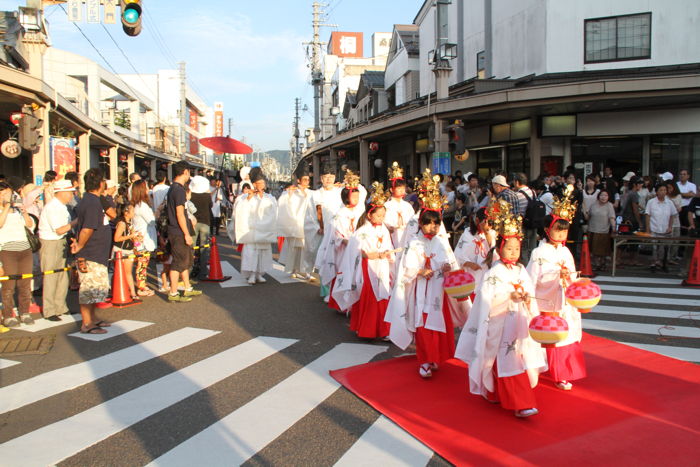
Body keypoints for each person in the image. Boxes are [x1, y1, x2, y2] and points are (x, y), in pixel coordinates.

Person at [455, 199, 545, 418]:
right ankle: (520, 402)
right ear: (500, 247)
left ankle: (495, 392)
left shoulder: (521, 270)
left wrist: (525, 298)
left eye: (517, 248)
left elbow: (530, 292)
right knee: (508, 360)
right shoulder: (494, 272)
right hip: (501, 323)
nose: (514, 252)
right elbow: (486, 300)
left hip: (519, 322)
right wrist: (509, 297)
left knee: (512, 358)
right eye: (509, 248)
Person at [386, 171, 458, 378]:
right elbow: (406, 268)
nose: (433, 227)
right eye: (428, 223)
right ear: (420, 223)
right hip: (421, 291)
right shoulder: (414, 242)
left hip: (437, 290)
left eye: (436, 223)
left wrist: (446, 268)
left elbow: (449, 262)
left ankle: (436, 357)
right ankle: (424, 360)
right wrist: (418, 270)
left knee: (438, 325)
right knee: (424, 326)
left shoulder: (441, 242)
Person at [527, 186, 585, 391]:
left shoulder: (566, 252)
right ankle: (546, 369)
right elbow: (531, 279)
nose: (561, 234)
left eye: (564, 230)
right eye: (557, 229)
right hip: (547, 301)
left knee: (565, 339)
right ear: (547, 230)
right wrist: (554, 278)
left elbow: (572, 275)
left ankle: (563, 373)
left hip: (565, 302)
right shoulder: (539, 253)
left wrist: (573, 284)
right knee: (550, 339)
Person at [332, 183, 395, 339]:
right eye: (379, 215)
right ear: (369, 215)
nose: (381, 219)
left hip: (382, 267)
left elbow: (388, 245)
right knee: (370, 299)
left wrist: (388, 254)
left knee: (383, 297)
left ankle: (384, 330)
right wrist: (368, 255)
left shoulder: (384, 229)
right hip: (367, 269)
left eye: (383, 216)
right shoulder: (361, 232)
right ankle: (366, 329)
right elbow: (355, 251)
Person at [71, 169, 112, 334]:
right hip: (91, 253)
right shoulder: (92, 202)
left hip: (97, 252)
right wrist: (80, 246)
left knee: (97, 288)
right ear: (101, 184)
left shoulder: (90, 200)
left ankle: (93, 318)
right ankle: (87, 323)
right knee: (89, 288)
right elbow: (87, 228)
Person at [321, 171, 366, 310]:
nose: (356, 199)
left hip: (356, 247)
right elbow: (336, 234)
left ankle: (353, 304)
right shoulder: (340, 214)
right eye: (354, 196)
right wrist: (346, 241)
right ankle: (340, 304)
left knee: (355, 275)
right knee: (343, 273)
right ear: (346, 197)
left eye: (358, 197)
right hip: (343, 249)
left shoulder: (360, 212)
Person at [38, 179, 76, 321]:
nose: (71, 195)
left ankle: (61, 306)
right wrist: (76, 222)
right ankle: (49, 309)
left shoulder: (62, 206)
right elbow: (59, 229)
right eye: (69, 192)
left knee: (62, 275)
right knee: (50, 276)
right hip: (50, 242)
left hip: (61, 242)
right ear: (61, 192)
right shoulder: (52, 207)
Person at [0, 180, 37, 327]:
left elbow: (29, 225)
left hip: (24, 249)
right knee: (8, 285)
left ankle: (25, 312)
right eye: (1, 193)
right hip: (7, 250)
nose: (4, 195)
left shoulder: (17, 211)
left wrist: (24, 211)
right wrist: (7, 205)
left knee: (25, 283)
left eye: (6, 192)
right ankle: (8, 315)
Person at [234, 167, 278, 285]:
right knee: (251, 253)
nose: (262, 185)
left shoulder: (270, 197)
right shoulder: (244, 197)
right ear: (254, 184)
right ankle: (252, 274)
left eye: (263, 183)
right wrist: (249, 198)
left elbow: (274, 211)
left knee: (263, 253)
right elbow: (240, 211)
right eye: (259, 183)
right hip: (252, 230)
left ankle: (259, 273)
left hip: (264, 229)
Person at [166, 161, 201, 302]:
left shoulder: (172, 188)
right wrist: (187, 234)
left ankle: (187, 288)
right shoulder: (179, 190)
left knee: (185, 260)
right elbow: (180, 214)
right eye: (189, 172)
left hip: (176, 229)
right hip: (179, 231)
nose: (189, 175)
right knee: (178, 262)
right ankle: (173, 292)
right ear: (185, 171)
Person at [277, 168, 315, 279]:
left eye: (308, 180)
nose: (307, 182)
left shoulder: (311, 193)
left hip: (307, 224)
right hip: (295, 224)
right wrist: (287, 195)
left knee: (307, 249)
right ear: (298, 180)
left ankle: (307, 271)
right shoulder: (292, 192)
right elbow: (283, 203)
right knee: (293, 248)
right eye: (304, 180)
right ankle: (293, 269)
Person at [454, 206, 496, 289]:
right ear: (477, 220)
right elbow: (458, 254)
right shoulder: (467, 234)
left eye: (491, 223)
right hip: (469, 272)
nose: (489, 226)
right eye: (487, 222)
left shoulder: (492, 233)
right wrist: (468, 263)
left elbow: (493, 251)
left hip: (485, 273)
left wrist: (486, 232)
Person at [130, 180, 157, 296]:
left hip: (138, 238)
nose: (147, 190)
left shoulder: (135, 205)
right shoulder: (142, 206)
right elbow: (152, 221)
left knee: (141, 263)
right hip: (144, 239)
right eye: (146, 188)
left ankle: (141, 285)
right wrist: (159, 211)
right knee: (142, 263)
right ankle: (141, 287)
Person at [645, 184, 678, 271]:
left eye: (664, 190)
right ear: (656, 192)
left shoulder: (669, 202)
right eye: (661, 190)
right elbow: (647, 215)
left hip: (665, 229)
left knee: (665, 248)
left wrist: (670, 226)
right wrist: (647, 229)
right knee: (654, 247)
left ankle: (664, 263)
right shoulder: (651, 202)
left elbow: (672, 215)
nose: (663, 192)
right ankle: (654, 263)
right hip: (654, 228)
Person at [383, 162, 415, 248]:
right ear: (391, 189)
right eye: (398, 188)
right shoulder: (386, 206)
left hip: (406, 234)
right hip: (392, 235)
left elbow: (412, 221)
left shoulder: (407, 206)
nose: (401, 190)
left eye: (403, 188)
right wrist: (389, 227)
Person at [113, 203, 141, 301]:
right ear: (126, 213)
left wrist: (137, 240)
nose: (134, 212)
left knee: (128, 272)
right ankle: (131, 293)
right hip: (120, 250)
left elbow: (132, 238)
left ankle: (131, 292)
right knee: (124, 273)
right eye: (132, 211)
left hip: (129, 249)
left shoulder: (130, 222)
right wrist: (131, 236)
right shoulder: (122, 223)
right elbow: (116, 238)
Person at [189, 175, 213, 279]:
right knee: (204, 248)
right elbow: (210, 206)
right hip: (205, 222)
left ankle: (190, 270)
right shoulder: (207, 196)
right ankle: (203, 271)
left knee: (192, 247)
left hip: (193, 223)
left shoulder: (191, 195)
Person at [586, 191, 616, 271]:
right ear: (598, 196)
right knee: (593, 249)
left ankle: (602, 264)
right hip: (592, 229)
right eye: (602, 195)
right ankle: (595, 264)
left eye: (606, 195)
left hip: (603, 231)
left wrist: (614, 228)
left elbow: (612, 218)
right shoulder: (593, 205)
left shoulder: (609, 205)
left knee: (602, 250)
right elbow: (588, 216)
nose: (603, 197)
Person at [513, 172, 538, 263]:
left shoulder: (517, 195)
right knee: (532, 247)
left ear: (516, 182)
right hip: (534, 223)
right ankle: (533, 265)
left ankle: (526, 268)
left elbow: (515, 211)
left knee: (523, 248)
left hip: (523, 224)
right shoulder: (533, 192)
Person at [665, 181, 684, 263]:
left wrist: (672, 203)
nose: (669, 190)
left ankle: (673, 257)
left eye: (670, 188)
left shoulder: (678, 196)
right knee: (668, 241)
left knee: (676, 240)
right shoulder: (665, 197)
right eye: (667, 188)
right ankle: (667, 258)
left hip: (676, 221)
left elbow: (679, 209)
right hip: (667, 221)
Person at [678, 169, 697, 234]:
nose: (682, 176)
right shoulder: (676, 184)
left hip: (687, 209)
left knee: (688, 227)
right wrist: (686, 194)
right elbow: (674, 194)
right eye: (681, 174)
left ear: (688, 176)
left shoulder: (692, 185)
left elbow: (692, 195)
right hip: (678, 208)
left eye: (684, 174)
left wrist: (680, 194)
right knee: (679, 227)